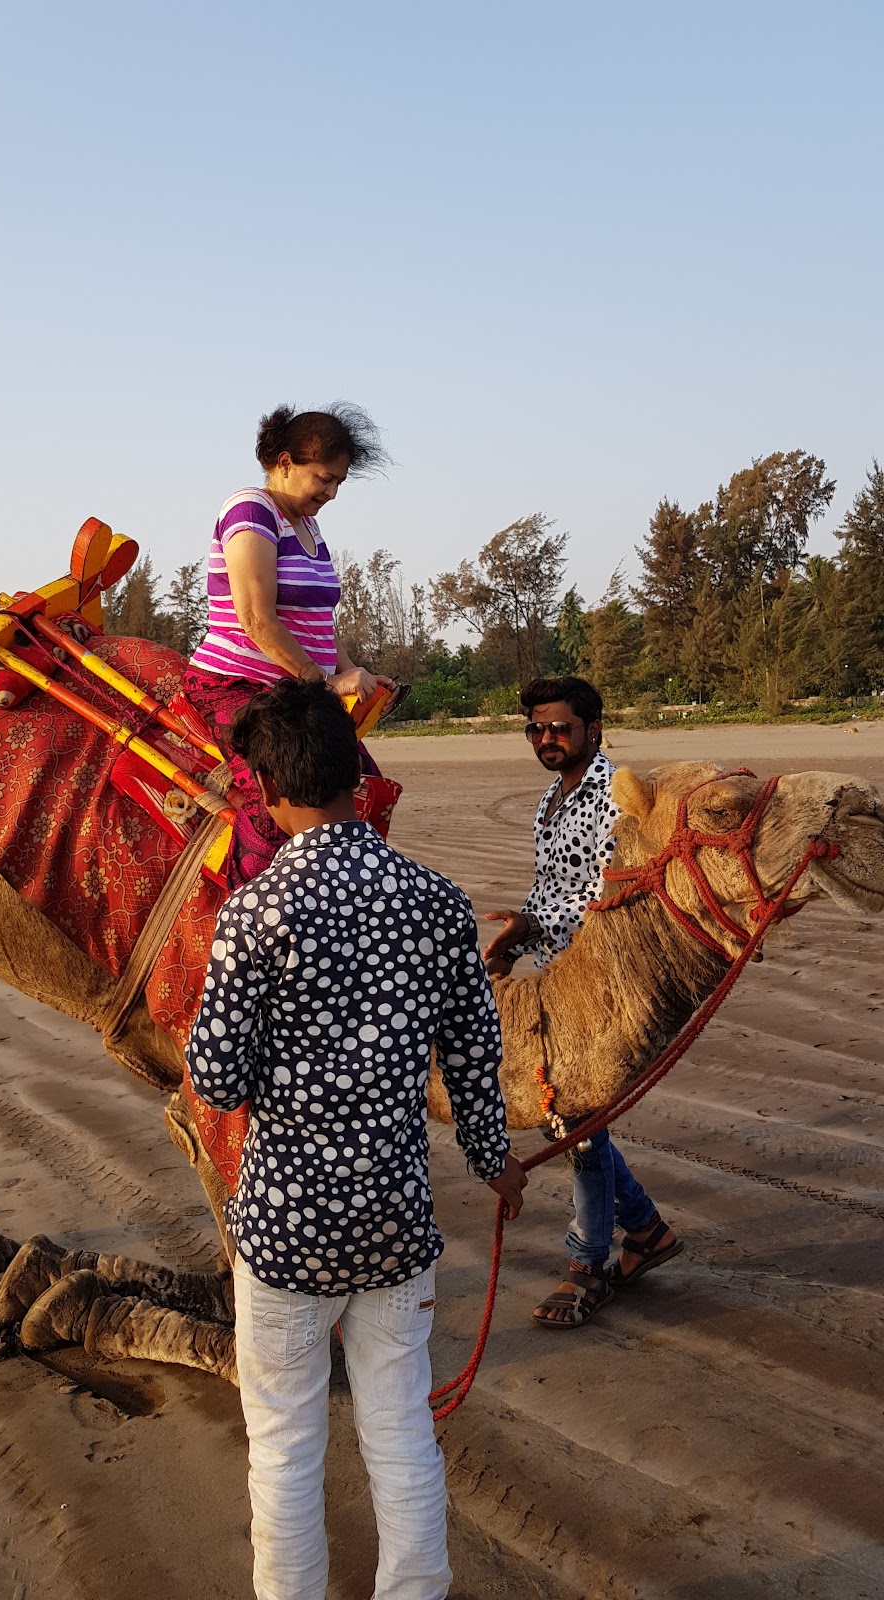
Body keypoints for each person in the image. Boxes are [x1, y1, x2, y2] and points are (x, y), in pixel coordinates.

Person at [186, 678, 527, 1600]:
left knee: (286, 1448)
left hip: (285, 1231)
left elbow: (213, 1079)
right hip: (394, 1226)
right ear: (353, 774)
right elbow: (474, 1060)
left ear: (264, 787)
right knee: (401, 1429)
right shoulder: (437, 904)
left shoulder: (255, 913)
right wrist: (497, 1169)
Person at [481, 675, 681, 1329]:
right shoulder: (552, 797)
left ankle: (587, 1266)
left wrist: (544, 928)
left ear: (594, 730)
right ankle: (646, 1231)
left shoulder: (616, 801)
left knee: (578, 1125)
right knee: (568, 1119)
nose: (545, 739)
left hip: (603, 982)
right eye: (535, 728)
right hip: (553, 977)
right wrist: (521, 929)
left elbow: (616, 894)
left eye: (559, 728)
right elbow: (554, 886)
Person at [184, 403, 397, 884]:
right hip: (240, 684)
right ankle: (247, 915)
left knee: (368, 791)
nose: (332, 492)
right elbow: (257, 621)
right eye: (323, 478)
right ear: (284, 463)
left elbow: (320, 620)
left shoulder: (308, 524)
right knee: (279, 798)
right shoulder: (250, 510)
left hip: (300, 691)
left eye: (338, 482)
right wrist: (326, 683)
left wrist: (352, 671)